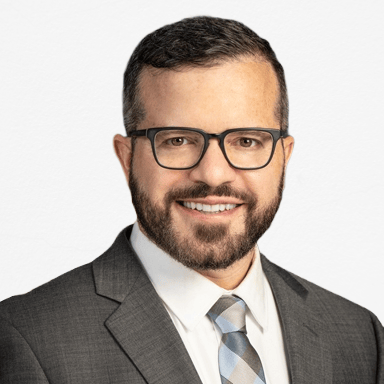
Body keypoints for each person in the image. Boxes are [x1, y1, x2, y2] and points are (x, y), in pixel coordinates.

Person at [0, 15, 382, 384]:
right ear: (127, 157)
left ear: (283, 156)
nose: (213, 174)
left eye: (246, 141)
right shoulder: (28, 339)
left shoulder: (358, 336)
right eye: (178, 140)